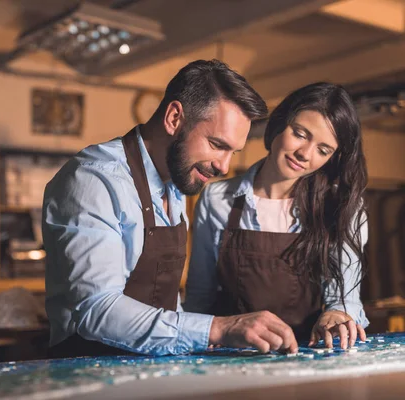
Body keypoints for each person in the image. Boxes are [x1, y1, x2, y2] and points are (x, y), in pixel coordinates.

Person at [42, 59, 299, 358]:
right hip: (90, 376)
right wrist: (216, 328)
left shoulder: (174, 186)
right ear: (175, 118)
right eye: (217, 144)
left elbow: (164, 303)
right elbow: (96, 309)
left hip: (151, 371)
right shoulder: (93, 181)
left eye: (233, 152)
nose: (223, 165)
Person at [184, 82, 369, 352]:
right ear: (280, 123)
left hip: (306, 356)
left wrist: (337, 315)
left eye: (323, 150)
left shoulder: (342, 207)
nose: (304, 154)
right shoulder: (217, 199)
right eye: (300, 133)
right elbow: (200, 297)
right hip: (230, 357)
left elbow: (345, 299)